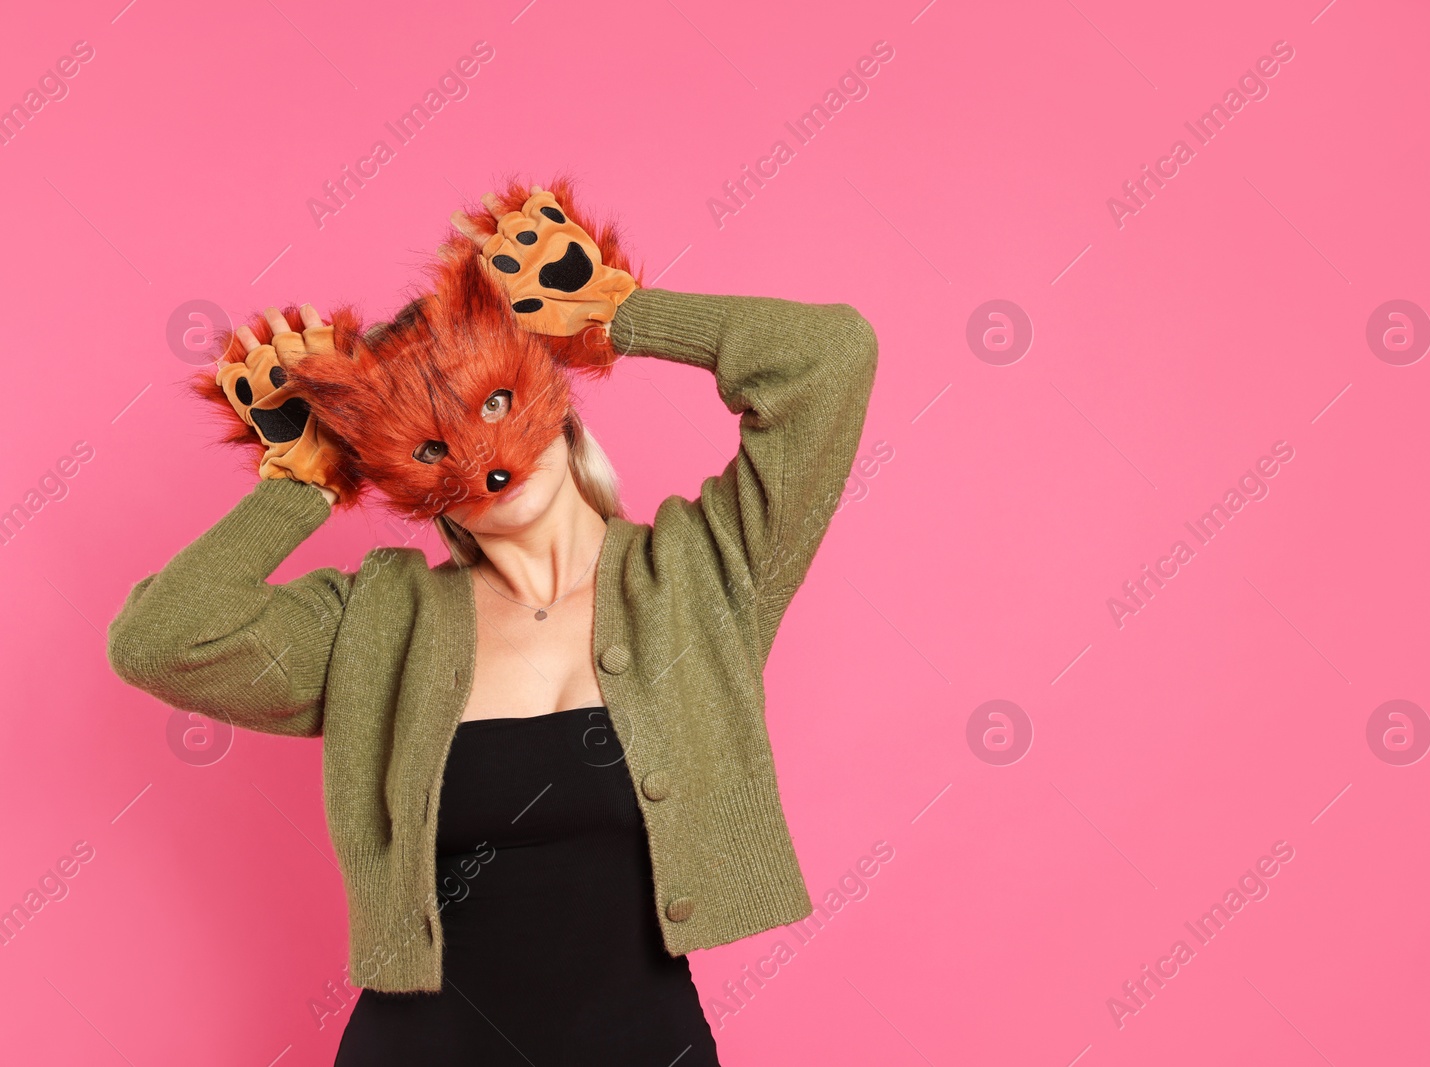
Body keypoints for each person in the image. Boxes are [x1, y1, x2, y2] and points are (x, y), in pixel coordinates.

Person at [105, 177, 879, 1066]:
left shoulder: (704, 575)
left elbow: (831, 357)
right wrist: (308, 479)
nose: (487, 461)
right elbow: (161, 639)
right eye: (431, 446)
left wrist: (616, 317)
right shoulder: (379, 624)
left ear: (551, 395)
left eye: (497, 405)